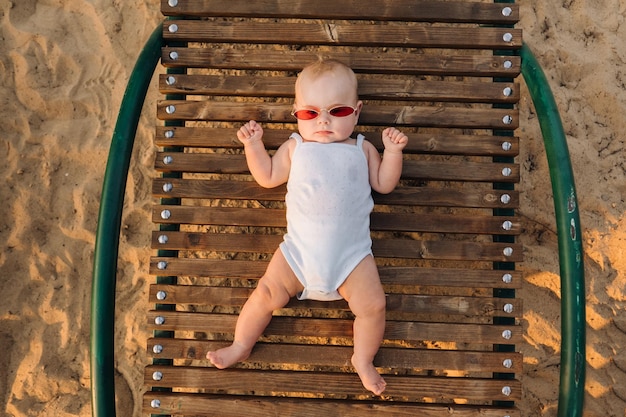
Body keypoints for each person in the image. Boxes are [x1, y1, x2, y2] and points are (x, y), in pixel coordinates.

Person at [206, 59, 408, 396]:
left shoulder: (362, 148)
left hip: (352, 257)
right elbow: (268, 177)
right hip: (297, 253)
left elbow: (384, 184)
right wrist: (254, 146)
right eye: (310, 114)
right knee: (265, 294)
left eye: (337, 111)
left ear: (357, 112)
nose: (323, 120)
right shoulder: (295, 147)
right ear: (296, 113)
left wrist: (392, 152)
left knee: (373, 307)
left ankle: (363, 359)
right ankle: (241, 344)